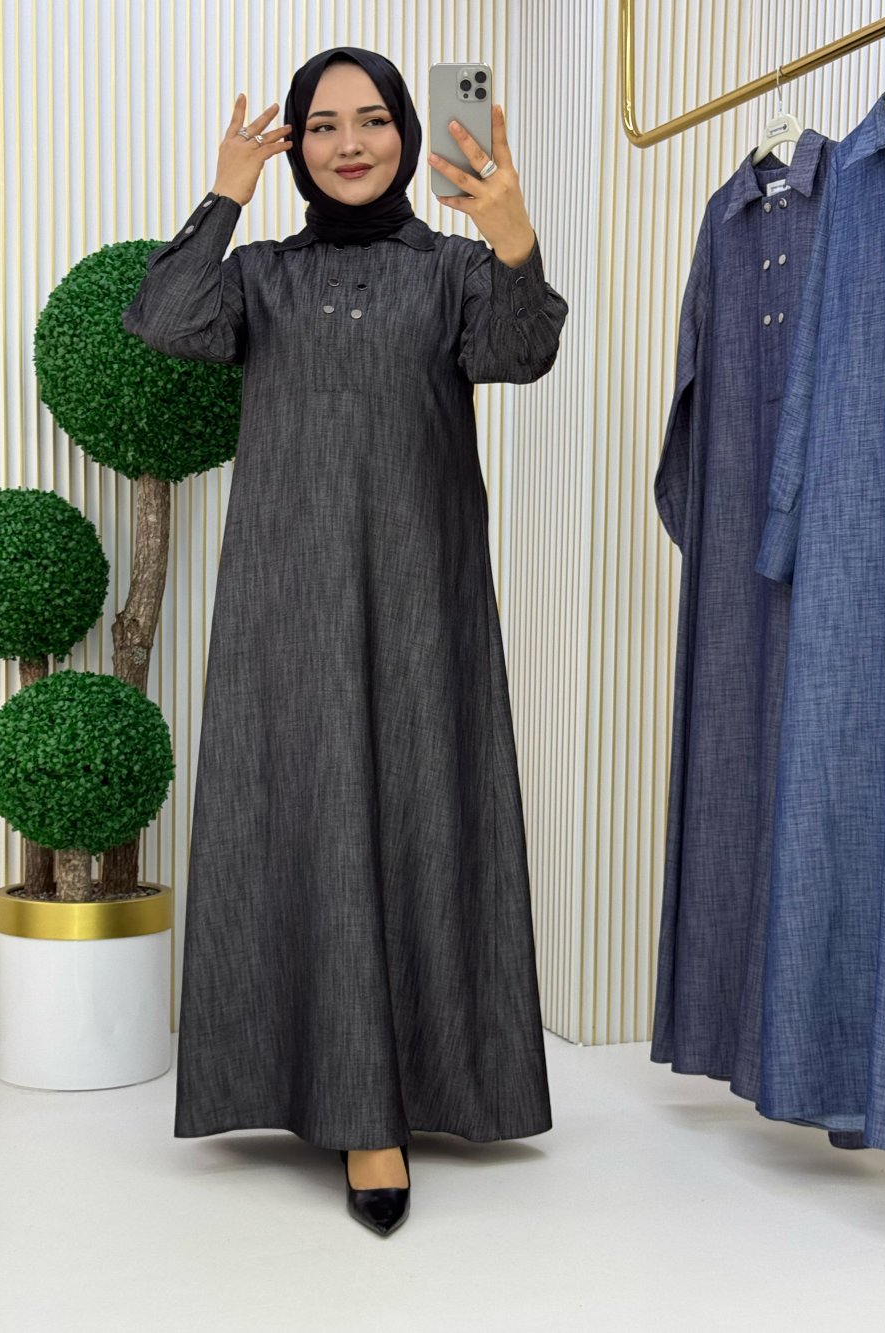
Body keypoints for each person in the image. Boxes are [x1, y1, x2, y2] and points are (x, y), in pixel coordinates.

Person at [121, 46, 568, 1238]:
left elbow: (521, 352)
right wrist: (225, 192)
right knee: (297, 822)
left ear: (411, 134)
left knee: (421, 815)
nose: (349, 143)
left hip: (423, 602)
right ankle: (317, 1090)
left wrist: (513, 236)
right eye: (321, 125)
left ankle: (404, 1100)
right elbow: (164, 320)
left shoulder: (454, 271)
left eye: (373, 120)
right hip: (285, 602)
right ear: (296, 146)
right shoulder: (261, 276)